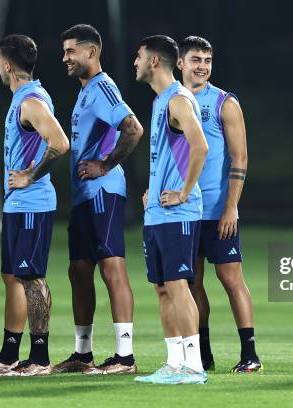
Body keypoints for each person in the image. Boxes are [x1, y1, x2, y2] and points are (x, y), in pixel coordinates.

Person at [0, 34, 69, 376]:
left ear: (7, 66)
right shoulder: (23, 98)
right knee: (11, 275)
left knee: (32, 278)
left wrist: (30, 175)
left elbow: (60, 143)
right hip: (17, 205)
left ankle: (39, 358)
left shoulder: (31, 102)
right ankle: (9, 355)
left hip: (32, 204)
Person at [53, 24, 144, 375]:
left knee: (112, 267)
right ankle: (83, 354)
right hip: (83, 197)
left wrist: (105, 165)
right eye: (64, 52)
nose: (65, 58)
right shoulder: (86, 90)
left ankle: (125, 357)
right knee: (79, 270)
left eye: (70, 51)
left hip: (103, 193)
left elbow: (133, 128)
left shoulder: (103, 87)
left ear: (91, 52)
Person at [177, 36, 261, 373]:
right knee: (192, 283)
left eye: (207, 60)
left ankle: (250, 354)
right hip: (184, 210)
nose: (202, 66)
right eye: (196, 59)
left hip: (217, 210)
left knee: (231, 279)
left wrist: (231, 207)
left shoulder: (224, 102)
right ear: (179, 62)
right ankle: (203, 353)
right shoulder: (172, 101)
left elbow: (240, 157)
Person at [132, 35, 209, 385]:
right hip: (157, 214)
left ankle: (193, 366)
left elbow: (201, 146)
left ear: (154, 62)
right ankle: (174, 362)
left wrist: (183, 192)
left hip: (178, 213)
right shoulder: (161, 100)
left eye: (138, 57)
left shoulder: (178, 100)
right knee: (162, 287)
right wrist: (154, 189)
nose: (134, 63)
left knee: (179, 285)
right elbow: (170, 155)